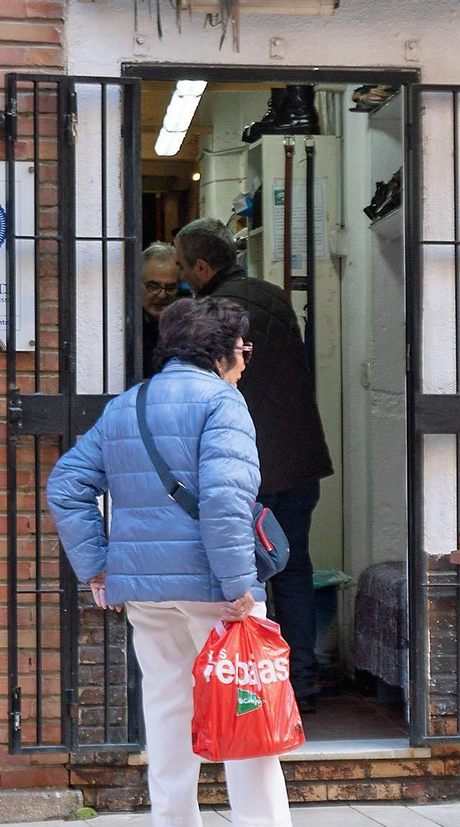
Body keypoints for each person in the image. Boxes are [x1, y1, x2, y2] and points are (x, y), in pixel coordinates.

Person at [46, 296, 330, 827]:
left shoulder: (128, 404)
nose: (245, 360)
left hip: (142, 587)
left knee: (167, 705)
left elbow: (66, 484)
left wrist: (98, 566)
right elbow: (226, 501)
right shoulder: (222, 402)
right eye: (243, 348)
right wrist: (239, 582)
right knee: (246, 699)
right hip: (212, 585)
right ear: (222, 350)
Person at [173, 217, 333, 713]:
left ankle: (253, 695)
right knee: (294, 568)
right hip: (300, 460)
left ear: (202, 267)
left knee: (244, 578)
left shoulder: (211, 314)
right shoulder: (275, 297)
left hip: (246, 466)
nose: (181, 276)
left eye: (182, 267)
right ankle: (301, 682)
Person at [140, 242, 183, 374]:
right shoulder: (123, 327)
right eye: (153, 286)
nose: (162, 295)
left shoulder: (187, 329)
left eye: (170, 287)